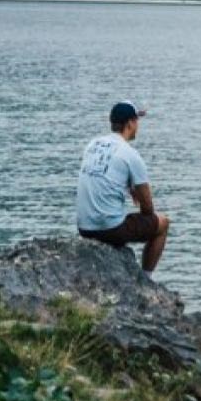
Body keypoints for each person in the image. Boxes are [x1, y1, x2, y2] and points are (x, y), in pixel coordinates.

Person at [76, 101, 170, 277]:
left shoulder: (92, 145)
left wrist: (128, 187)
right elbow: (148, 209)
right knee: (162, 223)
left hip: (84, 227)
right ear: (130, 123)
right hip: (109, 230)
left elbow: (103, 175)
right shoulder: (130, 154)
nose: (138, 126)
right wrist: (137, 193)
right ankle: (146, 279)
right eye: (137, 121)